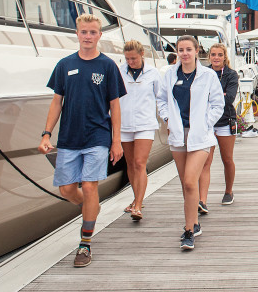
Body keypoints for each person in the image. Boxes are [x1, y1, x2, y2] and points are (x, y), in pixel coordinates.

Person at [38, 14, 126, 268]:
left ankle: (85, 244)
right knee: (67, 190)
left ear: (99, 35)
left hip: (97, 135)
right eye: (84, 32)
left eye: (92, 32)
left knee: (89, 187)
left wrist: (116, 141)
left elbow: (115, 106)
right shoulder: (65, 65)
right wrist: (46, 133)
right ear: (77, 34)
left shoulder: (107, 66)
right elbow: (57, 102)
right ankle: (91, 208)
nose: (88, 36)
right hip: (69, 137)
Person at [157, 35, 223, 250]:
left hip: (200, 135)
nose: (184, 53)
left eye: (188, 49)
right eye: (180, 50)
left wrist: (206, 123)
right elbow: (161, 100)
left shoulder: (208, 75)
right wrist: (167, 118)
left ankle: (188, 231)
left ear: (197, 51)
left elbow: (217, 104)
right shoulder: (169, 75)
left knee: (189, 181)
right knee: (186, 185)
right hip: (178, 134)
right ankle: (194, 222)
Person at [119, 40, 162, 222]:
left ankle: (137, 204)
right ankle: (136, 198)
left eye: (134, 58)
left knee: (139, 162)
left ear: (141, 54)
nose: (131, 62)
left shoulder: (153, 73)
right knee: (129, 164)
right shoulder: (119, 72)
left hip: (145, 123)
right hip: (124, 124)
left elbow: (161, 98)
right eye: (128, 59)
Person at [199, 43, 239, 212]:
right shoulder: (203, 73)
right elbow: (198, 97)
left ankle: (228, 191)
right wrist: (217, 95)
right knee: (205, 162)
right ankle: (202, 200)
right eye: (213, 54)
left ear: (225, 57)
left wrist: (213, 96)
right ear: (209, 56)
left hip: (225, 121)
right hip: (207, 122)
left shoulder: (231, 75)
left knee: (227, 159)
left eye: (219, 55)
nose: (216, 57)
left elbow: (229, 98)